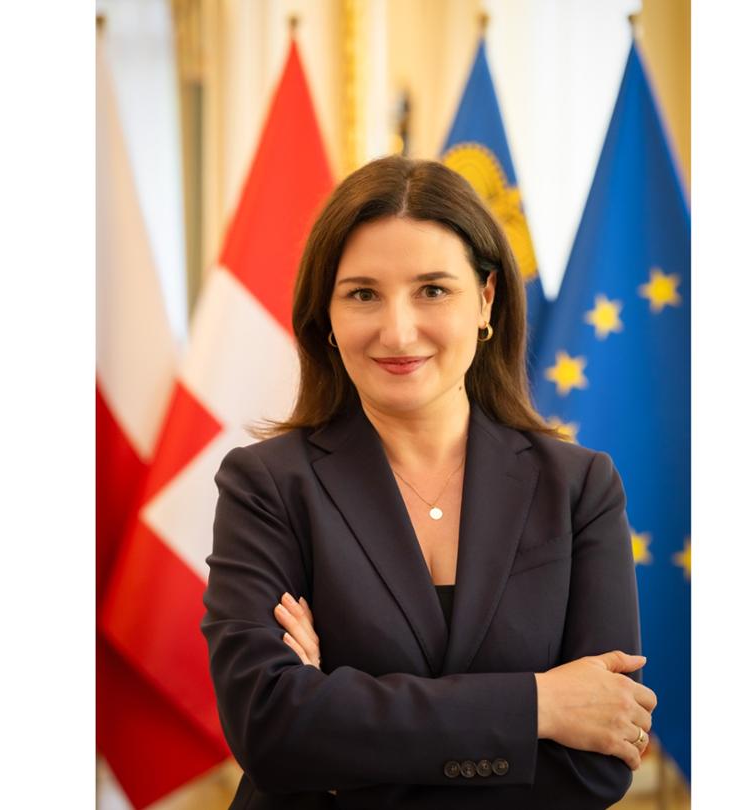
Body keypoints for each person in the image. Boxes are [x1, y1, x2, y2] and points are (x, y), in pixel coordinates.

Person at [201, 156, 655, 809]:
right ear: (326, 314)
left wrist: (341, 751)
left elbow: (599, 764)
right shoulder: (265, 486)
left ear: (486, 300)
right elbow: (269, 729)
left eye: (433, 290)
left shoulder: (579, 488)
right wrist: (539, 706)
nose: (398, 330)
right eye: (363, 294)